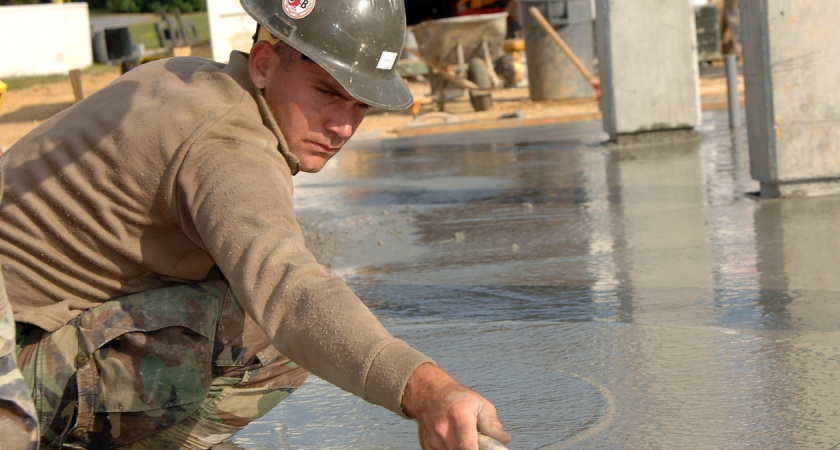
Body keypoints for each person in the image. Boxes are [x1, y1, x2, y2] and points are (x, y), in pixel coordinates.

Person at [0, 0, 511, 448]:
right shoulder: (230, 148)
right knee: (269, 332)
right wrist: (428, 391)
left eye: (362, 106)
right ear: (265, 65)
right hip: (14, 377)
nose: (343, 127)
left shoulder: (188, 79)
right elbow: (291, 292)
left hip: (23, 327)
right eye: (327, 93)